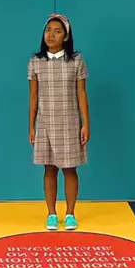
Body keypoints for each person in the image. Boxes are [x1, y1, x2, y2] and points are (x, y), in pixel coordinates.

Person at [27, 14, 90, 231]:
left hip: (69, 122)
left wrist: (85, 123)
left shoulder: (76, 61)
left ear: (66, 36)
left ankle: (70, 214)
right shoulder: (36, 62)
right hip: (46, 122)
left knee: (70, 169)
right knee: (49, 169)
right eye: (48, 30)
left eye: (57, 31)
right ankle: (51, 214)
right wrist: (32, 126)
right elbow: (33, 96)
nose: (51, 35)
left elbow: (81, 94)